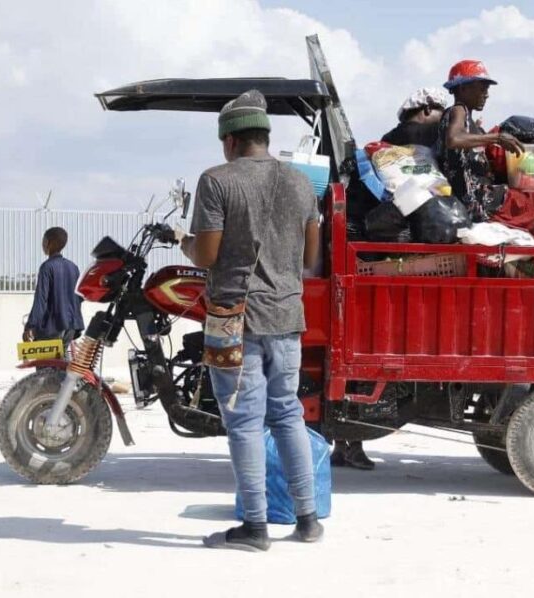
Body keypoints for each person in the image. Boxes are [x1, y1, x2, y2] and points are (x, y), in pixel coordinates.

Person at [178, 89, 323, 552]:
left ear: (230, 140)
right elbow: (311, 257)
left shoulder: (216, 180)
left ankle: (255, 528)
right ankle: (307, 520)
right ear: (264, 135)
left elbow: (206, 255)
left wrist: (184, 241)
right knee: (287, 414)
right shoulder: (301, 183)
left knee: (244, 421)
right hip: (288, 316)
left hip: (232, 319)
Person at [438, 60, 534, 247]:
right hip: (479, 201)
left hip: (478, 198)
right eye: (482, 88)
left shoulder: (473, 126)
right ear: (463, 88)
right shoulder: (459, 110)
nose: (486, 94)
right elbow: (453, 139)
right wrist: (496, 138)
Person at [23, 227, 84, 351]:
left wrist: (30, 326)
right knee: (61, 360)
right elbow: (79, 297)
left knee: (45, 362)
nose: (42, 244)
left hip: (52, 327)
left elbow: (41, 301)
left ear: (49, 243)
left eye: (44, 240)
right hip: (71, 327)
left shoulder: (46, 267)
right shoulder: (73, 267)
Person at [382, 87, 450, 147]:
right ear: (428, 109)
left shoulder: (387, 139)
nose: (442, 117)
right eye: (442, 112)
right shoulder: (437, 131)